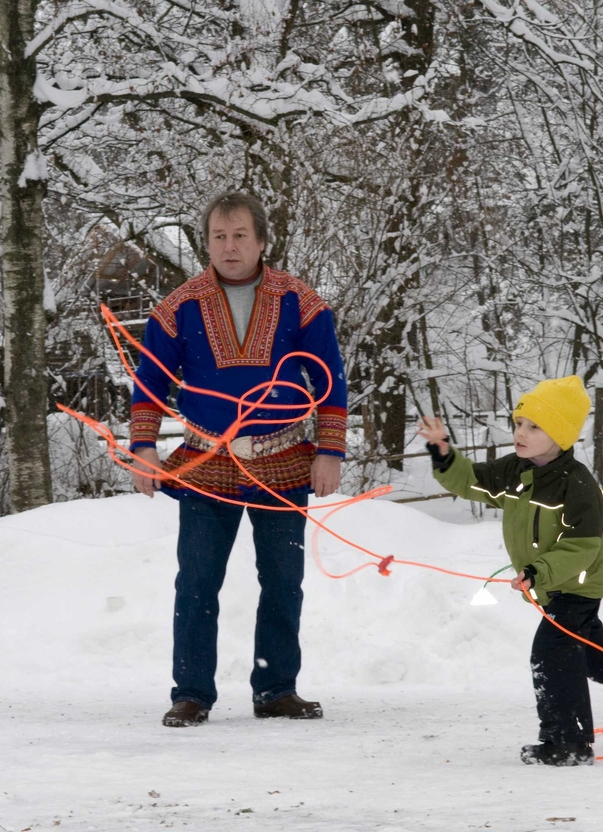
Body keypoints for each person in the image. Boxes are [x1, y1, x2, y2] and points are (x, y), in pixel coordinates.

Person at [128, 191, 348, 728]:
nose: (229, 247)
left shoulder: (301, 301)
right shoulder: (179, 306)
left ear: (262, 240)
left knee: (282, 580)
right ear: (205, 243)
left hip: (286, 460)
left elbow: (330, 378)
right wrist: (143, 448)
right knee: (197, 581)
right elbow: (150, 382)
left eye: (240, 236)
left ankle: (276, 687)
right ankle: (192, 692)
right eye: (219, 237)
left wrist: (330, 451)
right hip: (207, 461)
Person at [417, 376, 603, 766]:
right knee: (591, 652)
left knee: (551, 651)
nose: (520, 432)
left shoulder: (578, 485)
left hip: (578, 582)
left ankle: (568, 743)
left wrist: (536, 571)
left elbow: (584, 548)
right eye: (518, 423)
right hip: (548, 582)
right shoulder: (516, 470)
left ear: (560, 434)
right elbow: (472, 482)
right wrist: (444, 454)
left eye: (534, 426)